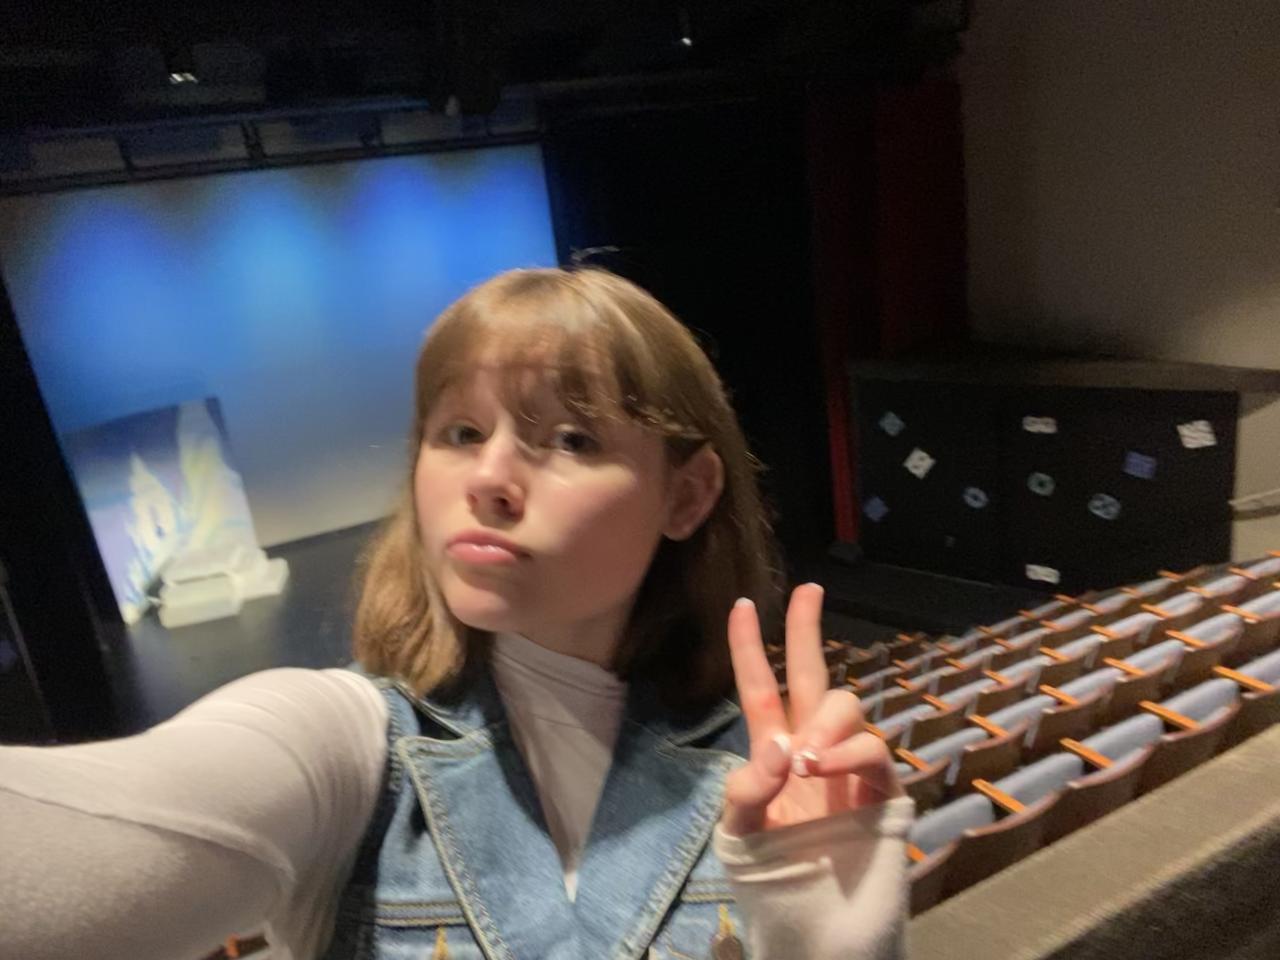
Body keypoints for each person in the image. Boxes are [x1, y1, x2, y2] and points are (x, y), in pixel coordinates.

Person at [0, 267, 913, 960]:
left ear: (688, 494)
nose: (488, 477)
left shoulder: (781, 785)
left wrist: (828, 946)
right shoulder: (341, 750)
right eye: (461, 433)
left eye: (570, 438)